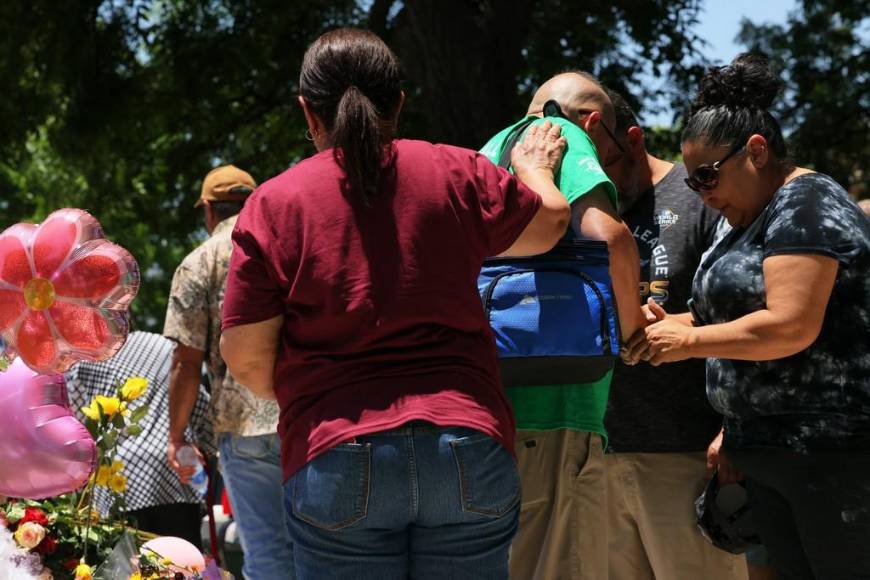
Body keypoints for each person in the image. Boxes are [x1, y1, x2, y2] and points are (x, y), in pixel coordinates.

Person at [220, 28, 570, 580]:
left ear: (308, 114)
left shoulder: (272, 204)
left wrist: (304, 390)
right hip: (467, 444)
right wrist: (533, 169)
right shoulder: (457, 172)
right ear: (399, 104)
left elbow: (245, 358)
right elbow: (549, 223)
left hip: (334, 450)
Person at [624, 54, 870, 578]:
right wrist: (669, 325)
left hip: (833, 457)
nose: (703, 195)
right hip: (768, 458)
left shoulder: (806, 203)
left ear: (756, 151)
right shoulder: (742, 218)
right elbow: (722, 313)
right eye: (692, 184)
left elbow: (789, 325)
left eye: (707, 176)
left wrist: (689, 343)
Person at [479, 72, 643, 580]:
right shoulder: (562, 135)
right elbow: (608, 236)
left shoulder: (486, 151)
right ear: (595, 123)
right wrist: (633, 329)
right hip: (561, 410)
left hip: (493, 408)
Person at [602, 89, 747, 580]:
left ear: (634, 139)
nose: (586, 173)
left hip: (688, 455)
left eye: (595, 156)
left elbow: (749, 316)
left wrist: (734, 430)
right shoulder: (580, 209)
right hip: (598, 455)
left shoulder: (704, 196)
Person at [164, 165, 293, 579]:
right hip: (305, 415)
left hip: (243, 428)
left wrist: (177, 436)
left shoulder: (198, 262)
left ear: (207, 211)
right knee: (319, 546)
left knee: (267, 553)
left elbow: (187, 361)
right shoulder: (288, 245)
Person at [66, 331, 213, 548]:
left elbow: (76, 426)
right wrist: (205, 445)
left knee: (127, 565)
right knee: (183, 563)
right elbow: (199, 402)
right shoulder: (169, 348)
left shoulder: (88, 357)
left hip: (118, 475)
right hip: (173, 469)